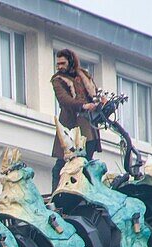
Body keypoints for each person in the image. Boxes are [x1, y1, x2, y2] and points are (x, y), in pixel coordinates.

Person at [51, 47, 102, 189]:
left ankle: (87, 191)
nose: (60, 67)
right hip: (70, 127)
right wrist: (83, 105)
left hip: (88, 126)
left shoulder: (83, 76)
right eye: (58, 64)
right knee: (61, 166)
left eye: (63, 63)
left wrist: (99, 102)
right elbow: (64, 100)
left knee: (87, 163)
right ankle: (56, 195)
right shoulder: (58, 80)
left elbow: (94, 93)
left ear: (71, 62)